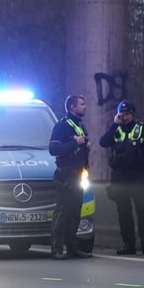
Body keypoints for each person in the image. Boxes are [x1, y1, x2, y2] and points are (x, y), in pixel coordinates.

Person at [98, 99, 144, 255]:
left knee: (143, 212)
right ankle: (128, 244)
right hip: (119, 178)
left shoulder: (142, 129)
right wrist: (114, 124)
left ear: (132, 114)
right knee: (124, 213)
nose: (124, 117)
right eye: (122, 114)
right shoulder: (115, 129)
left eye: (127, 114)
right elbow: (103, 142)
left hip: (137, 177)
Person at [48, 94, 93, 259]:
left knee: (75, 211)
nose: (85, 107)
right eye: (82, 104)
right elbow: (53, 149)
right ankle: (57, 248)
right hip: (66, 173)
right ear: (72, 107)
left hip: (79, 173)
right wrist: (75, 142)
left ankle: (72, 247)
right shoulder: (63, 126)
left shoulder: (79, 125)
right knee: (63, 211)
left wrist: (86, 146)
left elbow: (81, 148)